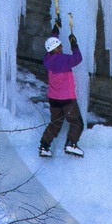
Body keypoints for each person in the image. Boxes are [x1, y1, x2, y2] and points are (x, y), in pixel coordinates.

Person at [39, 29, 85, 158]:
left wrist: (54, 32)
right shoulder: (63, 60)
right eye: (60, 45)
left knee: (55, 122)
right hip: (67, 99)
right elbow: (78, 58)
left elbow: (51, 47)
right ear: (55, 48)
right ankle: (71, 144)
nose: (62, 46)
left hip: (53, 99)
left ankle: (44, 147)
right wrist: (74, 45)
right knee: (76, 121)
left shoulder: (47, 59)